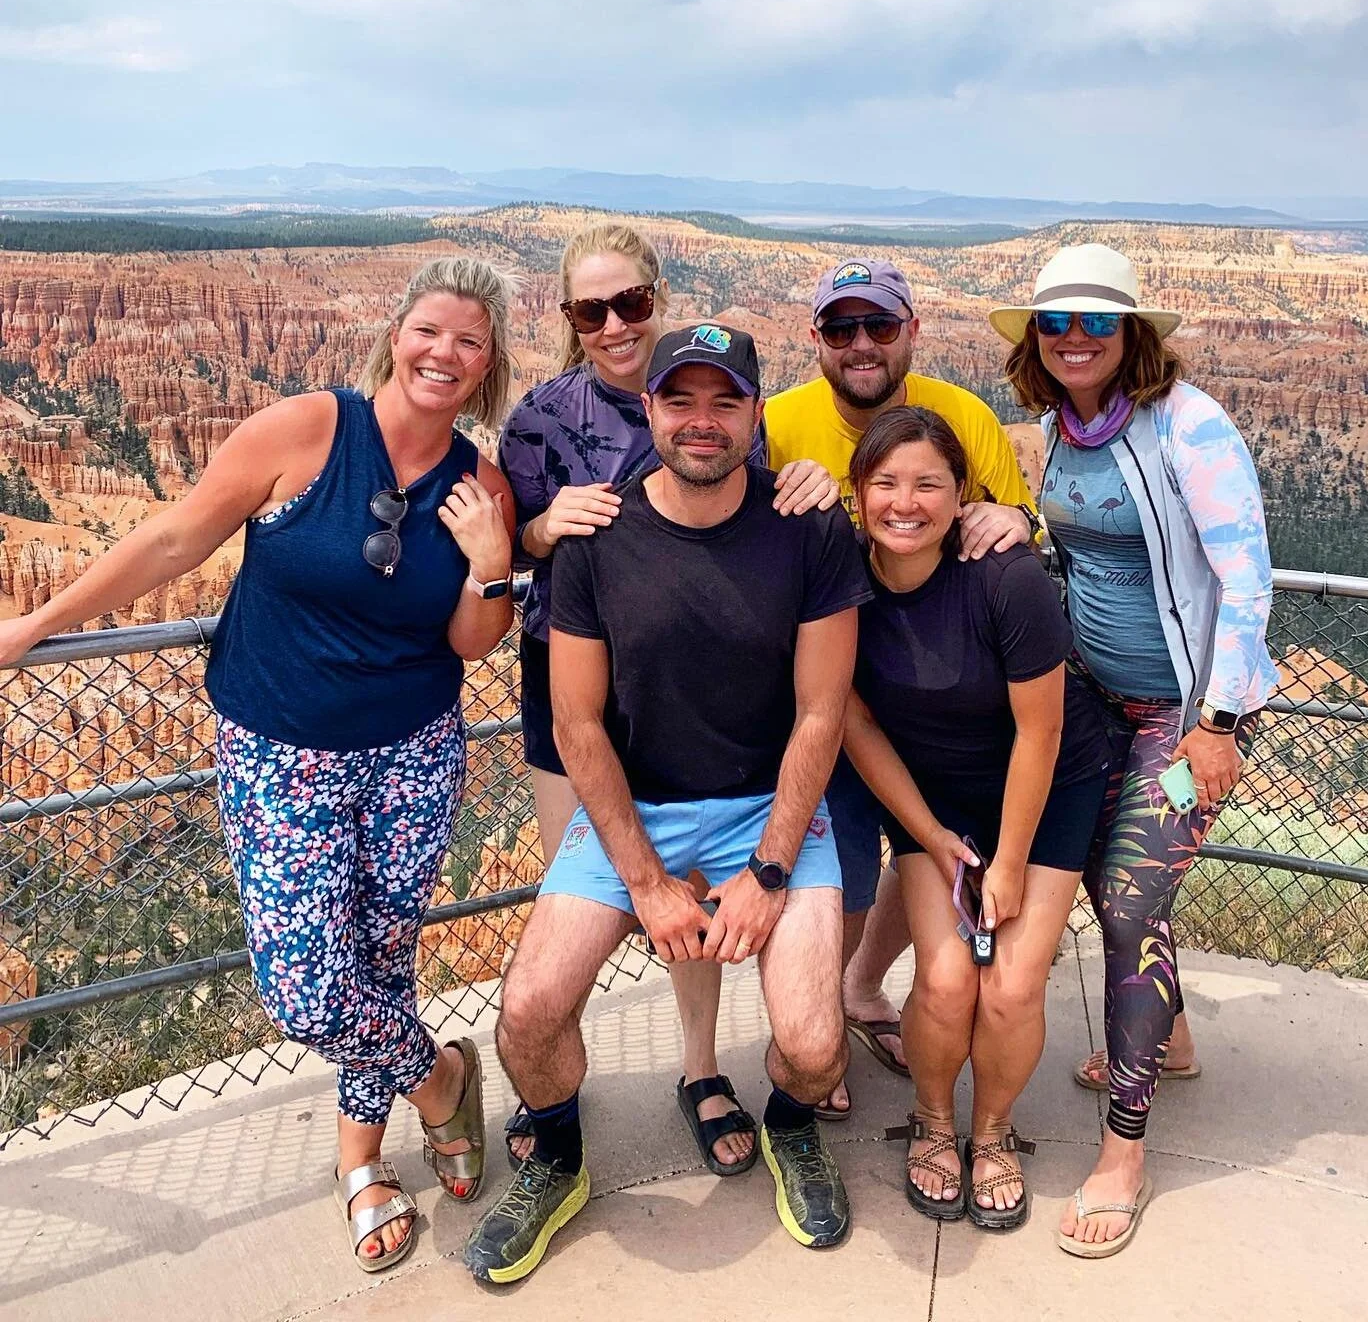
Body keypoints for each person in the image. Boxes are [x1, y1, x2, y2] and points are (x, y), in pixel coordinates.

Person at [0, 256, 521, 1273]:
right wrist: (35, 623)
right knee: (304, 989)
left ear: (489, 363)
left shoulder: (480, 483)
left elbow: (469, 643)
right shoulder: (306, 431)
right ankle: (444, 1076)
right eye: (430, 330)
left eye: (469, 341)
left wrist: (493, 561)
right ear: (396, 331)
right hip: (281, 753)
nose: (443, 354)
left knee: (378, 962)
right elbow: (173, 539)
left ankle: (359, 1161)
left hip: (412, 755)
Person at [465, 324, 870, 1284]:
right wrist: (647, 881)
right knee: (525, 1015)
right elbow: (576, 725)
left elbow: (821, 715)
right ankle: (557, 1159)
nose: (701, 421)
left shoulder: (806, 525)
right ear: (647, 410)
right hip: (635, 812)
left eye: (724, 401)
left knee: (816, 1048)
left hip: (767, 808)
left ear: (755, 416)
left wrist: (770, 872)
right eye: (679, 400)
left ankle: (793, 1124)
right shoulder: (598, 541)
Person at [497, 224, 837, 1174]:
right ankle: (554, 1092)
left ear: (656, 296)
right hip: (581, 679)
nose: (613, 323)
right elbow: (508, 533)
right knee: (618, 872)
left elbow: (761, 500)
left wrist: (813, 478)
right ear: (570, 320)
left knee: (699, 886)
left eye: (631, 304)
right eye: (590, 310)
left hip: (715, 676)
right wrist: (539, 528)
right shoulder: (540, 416)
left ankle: (697, 1066)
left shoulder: (711, 394)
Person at [991, 242, 1279, 1257]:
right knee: (1127, 895)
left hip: (1181, 712)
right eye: (1056, 322)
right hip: (1091, 700)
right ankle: (1175, 1038)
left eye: (1096, 321)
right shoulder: (1057, 429)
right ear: (1036, 339)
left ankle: (1123, 1150)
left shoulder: (1188, 427)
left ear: (1132, 334)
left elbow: (1246, 583)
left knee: (1124, 903)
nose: (1075, 338)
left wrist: (1218, 723)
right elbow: (1067, 547)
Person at [763, 257, 1040, 1117]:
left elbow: (1011, 520)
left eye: (880, 326)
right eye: (841, 329)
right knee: (843, 866)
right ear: (816, 341)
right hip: (826, 701)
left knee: (918, 849)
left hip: (934, 703)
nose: (862, 345)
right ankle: (815, 1034)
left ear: (911, 332)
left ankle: (855, 992)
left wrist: (1017, 517)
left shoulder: (963, 418)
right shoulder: (775, 424)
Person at [842, 407, 1111, 1227]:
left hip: (1048, 787)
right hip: (937, 796)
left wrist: (1007, 864)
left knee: (1012, 988)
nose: (905, 502)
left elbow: (1043, 729)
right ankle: (932, 1120)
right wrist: (926, 834)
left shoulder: (1006, 576)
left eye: (929, 483)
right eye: (885, 482)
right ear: (859, 494)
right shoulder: (844, 581)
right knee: (949, 977)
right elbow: (852, 721)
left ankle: (992, 1131)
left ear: (962, 494)